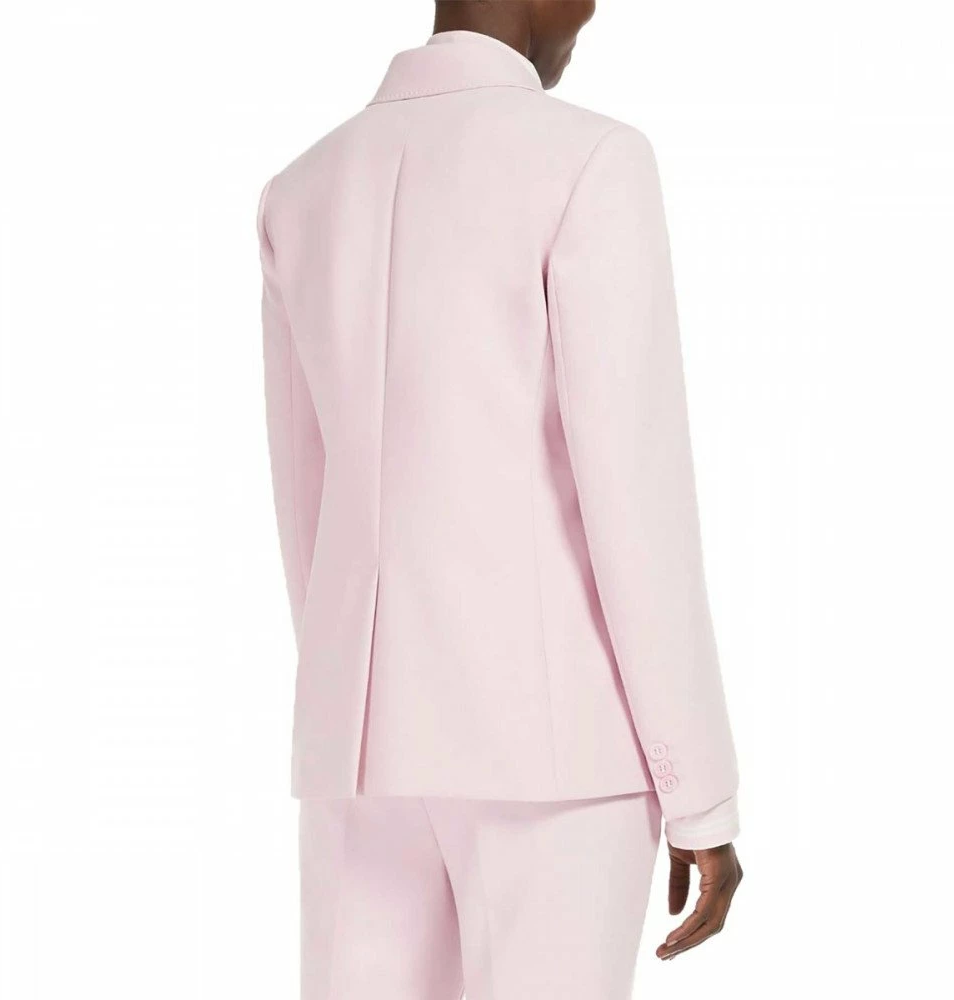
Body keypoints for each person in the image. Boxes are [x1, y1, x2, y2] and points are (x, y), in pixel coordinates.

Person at [256, 2, 743, 996]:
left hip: (355, 750)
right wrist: (701, 794)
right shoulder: (590, 161)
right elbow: (638, 503)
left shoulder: (302, 188)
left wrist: (351, 697)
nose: (592, 10)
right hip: (556, 760)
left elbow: (305, 498)